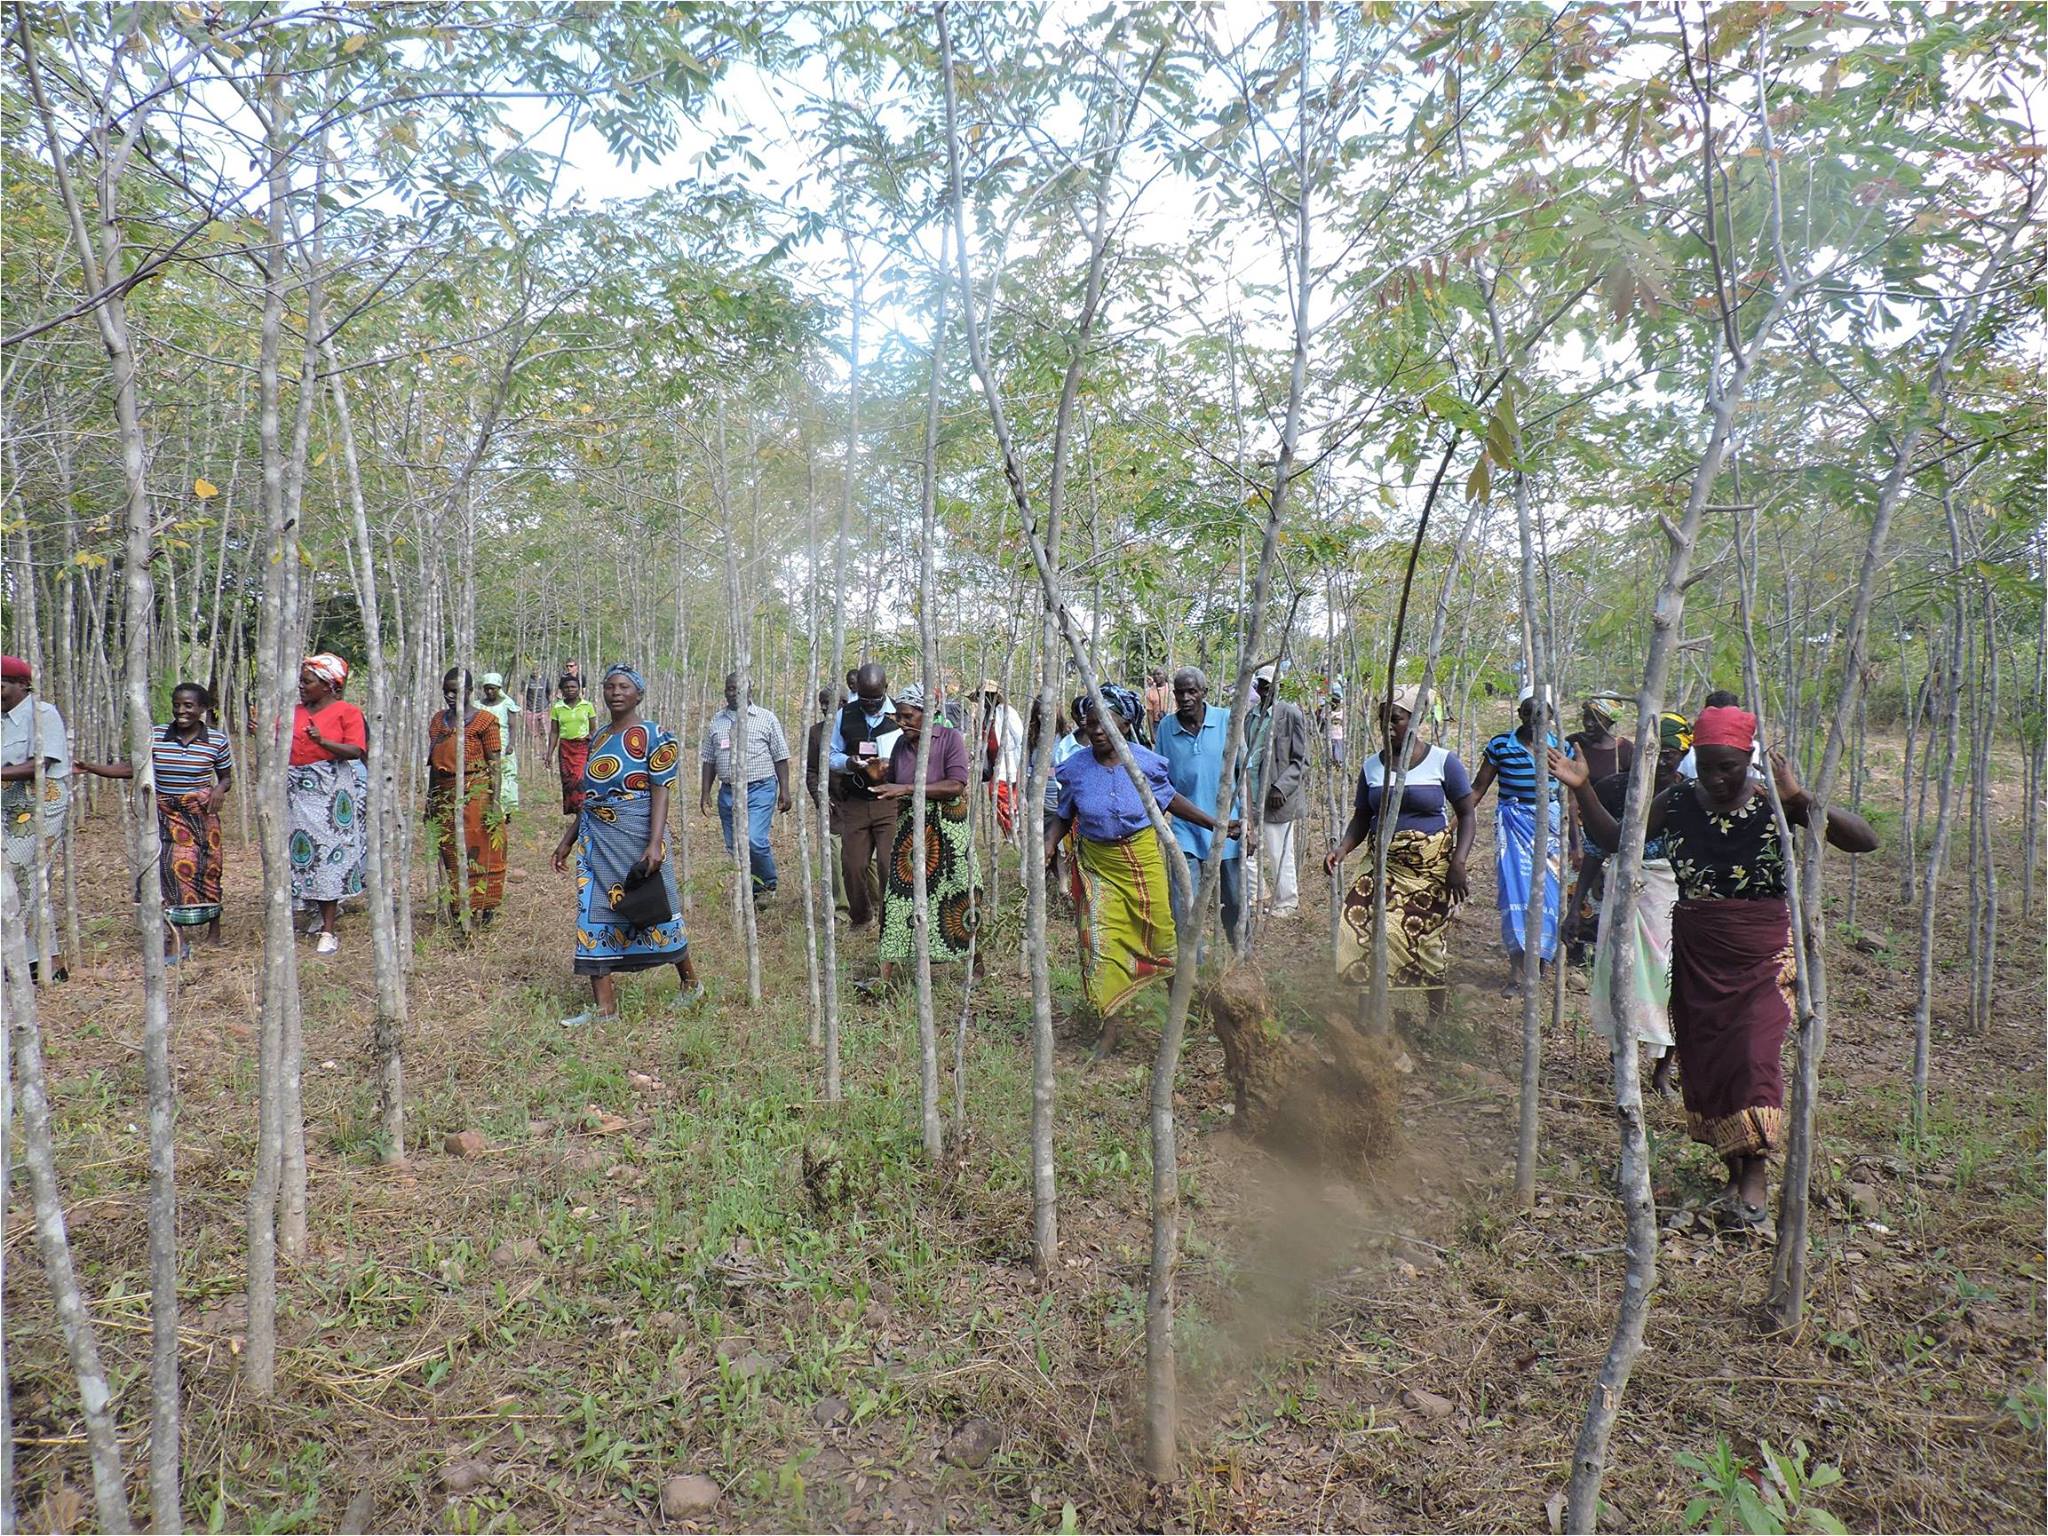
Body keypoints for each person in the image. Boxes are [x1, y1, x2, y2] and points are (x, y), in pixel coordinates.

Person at [1550, 705, 1877, 1228]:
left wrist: (1800, 800)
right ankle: (1733, 1166)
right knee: (1709, 1061)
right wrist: (1583, 788)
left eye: (1728, 767)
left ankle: (1756, 1175)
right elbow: (1617, 842)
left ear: (1748, 759)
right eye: (1707, 766)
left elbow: (1865, 839)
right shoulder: (1678, 800)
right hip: (1699, 944)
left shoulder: (1775, 801)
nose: (1717, 779)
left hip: (1762, 947)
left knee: (1753, 1054)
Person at [1048, 687, 1230, 1052]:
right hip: (1098, 864)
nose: (1097, 729)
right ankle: (1109, 1027)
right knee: (1099, 941)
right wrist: (1048, 843)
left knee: (1161, 936)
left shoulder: (1145, 762)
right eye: (1091, 722)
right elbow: (1064, 815)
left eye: (1106, 722)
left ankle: (1180, 1016)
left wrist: (1216, 824)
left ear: (1125, 723)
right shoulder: (1076, 769)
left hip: (1141, 860)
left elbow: (1170, 801)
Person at [551, 663, 700, 1025]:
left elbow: (660, 790)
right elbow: (590, 796)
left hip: (637, 834)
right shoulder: (599, 737)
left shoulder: (655, 735)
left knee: (656, 909)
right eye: (609, 686)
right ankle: (605, 1007)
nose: (615, 692)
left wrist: (654, 844)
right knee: (592, 910)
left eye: (623, 687)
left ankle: (691, 983)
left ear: (638, 694)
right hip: (596, 839)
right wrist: (567, 840)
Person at [1326, 685, 1474, 1021]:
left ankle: (1436, 1019)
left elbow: (1467, 814)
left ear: (1416, 719)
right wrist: (1343, 849)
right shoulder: (1371, 768)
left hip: (1430, 868)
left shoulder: (1443, 762)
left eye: (1397, 719)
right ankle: (1369, 1017)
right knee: (1356, 929)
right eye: (1384, 720)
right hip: (1383, 863)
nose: (1389, 726)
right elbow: (1362, 817)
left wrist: (1459, 863)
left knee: (1427, 941)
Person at [75, 681, 234, 956]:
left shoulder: (217, 741)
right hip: (166, 813)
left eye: (189, 706)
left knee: (210, 870)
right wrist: (90, 767)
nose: (181, 711)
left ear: (203, 709)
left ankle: (213, 932)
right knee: (172, 871)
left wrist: (218, 790)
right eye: (177, 705)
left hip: (201, 814)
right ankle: (177, 938)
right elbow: (132, 768)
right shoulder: (156, 735)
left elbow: (226, 777)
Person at [1582, 711, 1692, 1099]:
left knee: (1673, 979)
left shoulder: (1690, 797)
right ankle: (1622, 1060)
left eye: (1670, 754)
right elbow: (1597, 848)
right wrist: (1576, 903)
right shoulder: (1614, 790)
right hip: (1624, 893)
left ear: (1683, 755)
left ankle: (1663, 1070)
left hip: (1671, 900)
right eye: (1653, 752)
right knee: (1620, 972)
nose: (1661, 762)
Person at [875, 683, 980, 986]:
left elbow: (957, 784)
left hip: (949, 829)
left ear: (928, 713)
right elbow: (895, 781)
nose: (902, 723)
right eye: (899, 717)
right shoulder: (900, 745)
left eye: (908, 717)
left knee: (961, 893)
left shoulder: (950, 739)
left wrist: (907, 788)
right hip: (911, 832)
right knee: (897, 896)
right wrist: (879, 777)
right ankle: (884, 976)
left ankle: (975, 965)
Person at [1469, 684, 1571, 994]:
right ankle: (1517, 972)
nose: (1534, 718)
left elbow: (1572, 796)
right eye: (1528, 711)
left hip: (1549, 832)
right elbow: (1478, 788)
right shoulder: (1501, 745)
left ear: (1552, 716)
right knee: (1516, 900)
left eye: (1542, 712)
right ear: (1520, 713)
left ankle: (1537, 967)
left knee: (1547, 899)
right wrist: (1455, 820)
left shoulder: (1560, 748)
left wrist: (1577, 843)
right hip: (1513, 831)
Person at [1154, 667, 1243, 947]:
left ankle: (1242, 958)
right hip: (1186, 829)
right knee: (1183, 904)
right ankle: (1193, 970)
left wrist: (1249, 825)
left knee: (1235, 901)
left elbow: (1244, 777)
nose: (1185, 697)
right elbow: (1160, 781)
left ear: (1204, 692)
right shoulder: (1166, 728)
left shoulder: (1227, 720)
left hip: (1229, 827)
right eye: (1180, 692)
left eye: (1192, 691)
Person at [289, 654, 368, 955]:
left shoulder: (347, 712)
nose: (302, 686)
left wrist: (323, 742)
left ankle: (328, 929)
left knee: (329, 856)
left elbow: (354, 749)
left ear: (327, 684)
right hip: (296, 792)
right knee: (301, 854)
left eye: (307, 682)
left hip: (331, 792)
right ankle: (310, 911)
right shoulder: (293, 713)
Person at [2, 654, 72, 981]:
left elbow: (38, 766)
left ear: (21, 685)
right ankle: (46, 961)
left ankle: (18, 960)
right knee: (28, 881)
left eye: (1, 686)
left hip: (42, 803)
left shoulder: (43, 715)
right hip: (7, 805)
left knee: (16, 874)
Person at [699, 671, 791, 903]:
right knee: (734, 846)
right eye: (729, 689)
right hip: (728, 791)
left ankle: (768, 885)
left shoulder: (766, 718)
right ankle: (750, 889)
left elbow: (780, 756)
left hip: (760, 788)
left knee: (754, 840)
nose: (733, 694)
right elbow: (709, 759)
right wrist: (705, 793)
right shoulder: (717, 721)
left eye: (738, 689)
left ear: (750, 691)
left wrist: (785, 791)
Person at [427, 668, 507, 927]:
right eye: (446, 691)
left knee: (479, 849)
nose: (450, 696)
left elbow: (494, 764)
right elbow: (432, 765)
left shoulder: (485, 721)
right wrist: (430, 800)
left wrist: (494, 803)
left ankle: (481, 908)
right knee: (449, 849)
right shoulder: (438, 721)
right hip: (445, 793)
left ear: (470, 692)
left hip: (476, 792)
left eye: (456, 690)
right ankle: (456, 906)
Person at [1562, 695, 1636, 963]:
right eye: (1587, 717)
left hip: (1611, 827)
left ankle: (1601, 948)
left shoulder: (1625, 750)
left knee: (1604, 888)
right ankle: (1576, 947)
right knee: (1577, 886)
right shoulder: (1573, 744)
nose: (1589, 723)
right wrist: (1575, 843)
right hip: (1580, 825)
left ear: (1611, 720)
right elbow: (1570, 796)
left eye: (1597, 718)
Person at [828, 662, 902, 931]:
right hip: (856, 799)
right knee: (853, 865)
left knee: (887, 863)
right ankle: (862, 918)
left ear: (886, 688)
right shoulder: (844, 715)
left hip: (889, 800)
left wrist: (890, 766)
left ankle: (891, 920)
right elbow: (831, 754)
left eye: (876, 698)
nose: (870, 704)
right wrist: (850, 763)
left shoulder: (899, 715)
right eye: (865, 697)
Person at [1246, 664, 1310, 920]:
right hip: (1250, 791)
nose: (1265, 689)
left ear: (1278, 686)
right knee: (1246, 848)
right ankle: (1257, 895)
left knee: (1278, 850)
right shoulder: (1252, 716)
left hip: (1277, 796)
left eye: (1269, 684)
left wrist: (1280, 787)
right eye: (1261, 684)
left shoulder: (1291, 714)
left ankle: (1287, 902)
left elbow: (1301, 759)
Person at [805, 686, 848, 916]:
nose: (823, 707)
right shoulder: (815, 733)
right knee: (835, 853)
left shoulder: (856, 727)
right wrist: (821, 797)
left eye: (828, 703)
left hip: (859, 803)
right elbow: (811, 770)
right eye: (821, 702)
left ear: (843, 703)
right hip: (832, 805)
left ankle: (874, 901)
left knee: (867, 859)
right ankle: (841, 908)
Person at [1676, 689, 1765, 783]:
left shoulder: (1756, 750)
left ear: (1748, 756)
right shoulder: (1691, 751)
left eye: (1727, 767)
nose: (1715, 780)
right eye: (1705, 768)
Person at [977, 679, 1025, 838]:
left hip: (1007, 764)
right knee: (998, 798)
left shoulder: (1006, 712)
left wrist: (1013, 758)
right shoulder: (984, 715)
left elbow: (1020, 738)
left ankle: (1014, 832)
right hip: (993, 764)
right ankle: (1010, 834)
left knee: (1001, 796)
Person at [547, 674, 598, 815]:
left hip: (582, 747)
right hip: (565, 749)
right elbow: (554, 732)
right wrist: (549, 753)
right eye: (566, 687)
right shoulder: (558, 708)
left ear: (579, 689)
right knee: (569, 781)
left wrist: (592, 743)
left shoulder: (587, 706)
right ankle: (576, 812)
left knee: (579, 779)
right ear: (561, 690)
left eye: (573, 687)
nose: (570, 690)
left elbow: (593, 729)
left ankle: (584, 810)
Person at [478, 672, 521, 817]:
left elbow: (512, 725)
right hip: (484, 744)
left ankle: (505, 809)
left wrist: (511, 744)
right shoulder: (478, 705)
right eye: (487, 688)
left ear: (499, 688)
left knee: (505, 775)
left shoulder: (507, 703)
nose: (490, 692)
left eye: (493, 688)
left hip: (503, 743)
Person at [1142, 668, 1171, 742]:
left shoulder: (1172, 689)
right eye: (1154, 674)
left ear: (1165, 675)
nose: (1156, 676)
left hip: (1172, 722)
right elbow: (1150, 713)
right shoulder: (1150, 692)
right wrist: (1152, 734)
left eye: (1159, 674)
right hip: (1157, 724)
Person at [522, 668, 549, 740]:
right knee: (533, 734)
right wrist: (522, 708)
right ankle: (537, 749)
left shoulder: (545, 679)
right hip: (531, 710)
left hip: (544, 709)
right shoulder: (527, 680)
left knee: (546, 731)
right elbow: (522, 694)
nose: (534, 672)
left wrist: (550, 706)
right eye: (533, 670)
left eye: (536, 670)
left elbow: (550, 693)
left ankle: (547, 748)